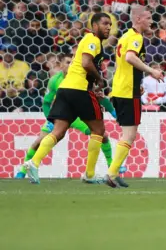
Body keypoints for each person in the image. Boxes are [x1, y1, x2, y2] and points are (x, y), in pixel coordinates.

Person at [23, 14, 113, 185]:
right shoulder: (92, 40)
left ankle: (33, 162)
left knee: (58, 131)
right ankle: (89, 173)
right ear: (94, 25)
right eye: (104, 23)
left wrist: (95, 81)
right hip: (79, 90)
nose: (108, 27)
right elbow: (86, 63)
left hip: (65, 89)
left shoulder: (89, 40)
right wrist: (100, 80)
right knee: (98, 130)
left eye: (110, 24)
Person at [15, 54, 117, 179]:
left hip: (79, 117)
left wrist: (113, 111)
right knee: (38, 142)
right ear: (61, 65)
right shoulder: (54, 80)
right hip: (60, 115)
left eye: (72, 62)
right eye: (68, 62)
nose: (70, 65)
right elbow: (46, 103)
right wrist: (50, 120)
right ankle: (23, 171)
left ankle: (111, 165)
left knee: (102, 135)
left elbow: (98, 96)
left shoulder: (82, 79)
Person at [105, 6, 163, 188]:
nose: (151, 21)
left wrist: (138, 83)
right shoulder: (136, 38)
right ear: (138, 19)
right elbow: (130, 58)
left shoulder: (126, 36)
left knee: (127, 133)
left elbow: (124, 64)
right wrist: (151, 70)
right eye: (148, 18)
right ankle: (112, 173)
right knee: (129, 134)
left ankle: (113, 172)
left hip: (123, 89)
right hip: (127, 92)